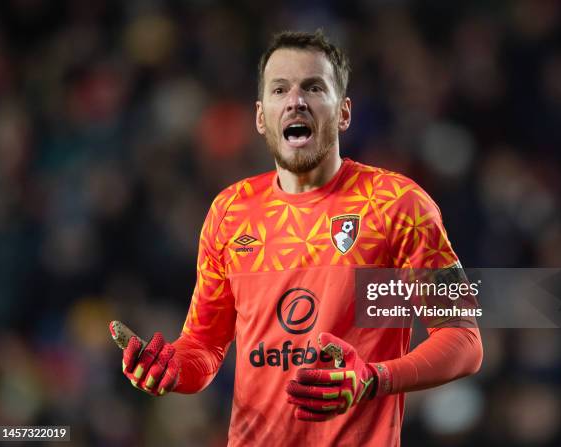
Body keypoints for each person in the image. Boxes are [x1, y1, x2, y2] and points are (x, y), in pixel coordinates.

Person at [115, 30, 483, 446]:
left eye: (313, 87)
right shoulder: (229, 212)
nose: (296, 100)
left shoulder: (398, 205)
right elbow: (204, 346)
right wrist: (173, 368)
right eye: (280, 89)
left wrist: (375, 378)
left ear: (343, 113)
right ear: (260, 116)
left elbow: (463, 340)